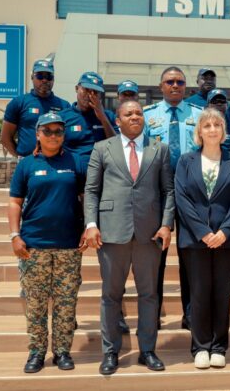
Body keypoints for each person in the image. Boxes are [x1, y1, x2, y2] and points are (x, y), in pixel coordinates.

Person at [83, 100, 175, 375]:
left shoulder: (159, 149)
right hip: (111, 233)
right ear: (118, 120)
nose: (135, 116)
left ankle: (148, 350)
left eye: (138, 113)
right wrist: (91, 224)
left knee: (149, 295)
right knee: (111, 295)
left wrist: (166, 224)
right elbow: (91, 191)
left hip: (149, 235)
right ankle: (110, 352)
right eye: (128, 113)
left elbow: (168, 191)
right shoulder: (102, 148)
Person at [8, 112, 87, 373]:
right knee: (36, 303)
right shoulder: (26, 165)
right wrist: (14, 235)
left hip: (68, 245)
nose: (54, 135)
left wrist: (89, 227)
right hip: (34, 246)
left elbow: (87, 197)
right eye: (48, 131)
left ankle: (62, 351)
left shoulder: (75, 161)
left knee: (66, 303)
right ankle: (36, 352)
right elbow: (15, 202)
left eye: (59, 131)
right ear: (38, 134)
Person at [175, 108, 230, 369]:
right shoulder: (185, 161)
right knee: (199, 292)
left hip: (226, 240)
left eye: (217, 124)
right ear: (199, 131)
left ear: (224, 130)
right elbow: (182, 199)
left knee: (221, 294)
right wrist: (203, 232)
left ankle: (219, 347)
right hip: (195, 241)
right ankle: (200, 346)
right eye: (207, 125)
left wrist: (224, 231)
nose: (213, 129)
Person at [144, 66, 202, 329]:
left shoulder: (198, 115)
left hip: (192, 194)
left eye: (179, 82)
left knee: (190, 256)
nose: (175, 86)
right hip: (158, 193)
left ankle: (190, 313)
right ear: (161, 86)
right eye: (170, 82)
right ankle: (152, 314)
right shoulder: (147, 116)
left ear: (186, 87)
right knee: (156, 258)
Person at [206, 89, 230, 297]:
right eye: (214, 102)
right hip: (208, 186)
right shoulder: (204, 128)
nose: (219, 105)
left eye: (222, 101)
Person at [1, 59, 71, 158]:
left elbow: (68, 137)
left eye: (48, 76)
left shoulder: (64, 106)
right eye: (40, 76)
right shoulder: (18, 103)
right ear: (32, 77)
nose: (44, 80)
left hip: (56, 164)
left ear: (53, 79)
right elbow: (5, 137)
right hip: (28, 163)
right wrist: (19, 158)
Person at [59, 72, 117, 159]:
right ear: (76, 88)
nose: (90, 95)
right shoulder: (62, 117)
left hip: (101, 168)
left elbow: (116, 147)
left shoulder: (109, 116)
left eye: (95, 92)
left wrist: (103, 118)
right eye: (86, 90)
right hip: (73, 169)